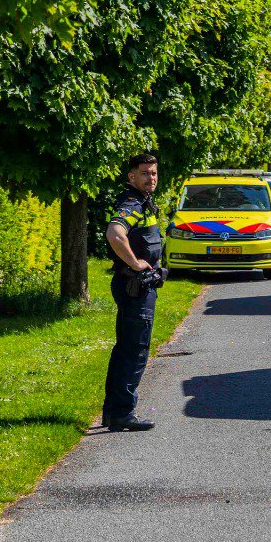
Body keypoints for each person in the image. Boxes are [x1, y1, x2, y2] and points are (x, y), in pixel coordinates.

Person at [101, 153, 166, 433]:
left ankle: (113, 412)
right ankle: (122, 414)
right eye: (144, 173)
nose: (150, 177)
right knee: (135, 350)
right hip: (135, 286)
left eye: (153, 173)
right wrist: (136, 263)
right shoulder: (132, 203)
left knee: (125, 348)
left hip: (139, 286)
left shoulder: (143, 202)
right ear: (131, 177)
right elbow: (115, 233)